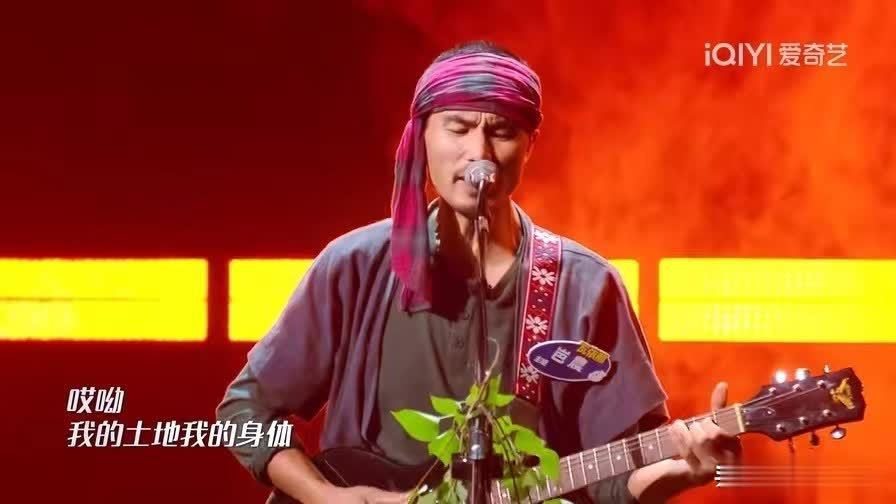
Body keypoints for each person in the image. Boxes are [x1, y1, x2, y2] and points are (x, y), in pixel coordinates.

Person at [217, 40, 740, 503]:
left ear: (530, 145)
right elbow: (244, 413)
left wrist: (682, 471)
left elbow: (616, 476)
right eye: (458, 128)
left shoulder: (585, 286)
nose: (479, 154)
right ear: (422, 136)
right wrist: (325, 496)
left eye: (502, 132)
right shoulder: (355, 264)